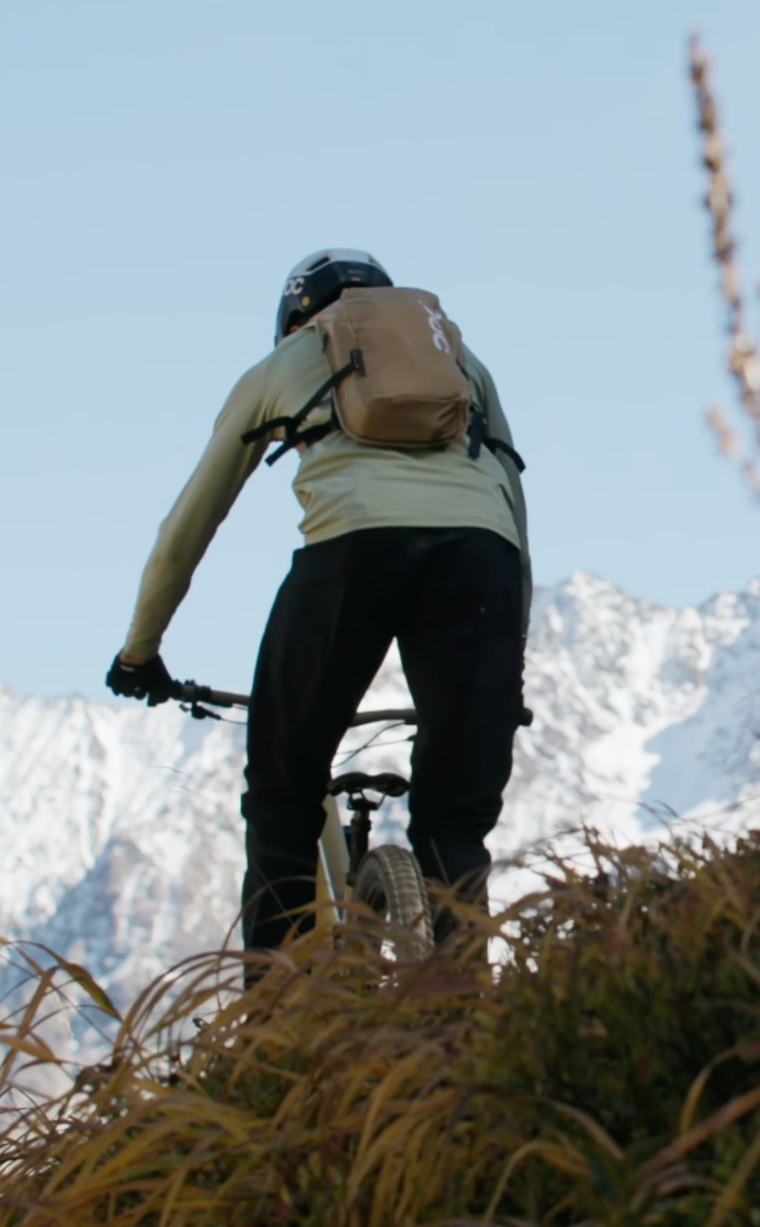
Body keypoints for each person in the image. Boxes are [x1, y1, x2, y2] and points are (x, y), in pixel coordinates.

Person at [105, 248, 530, 962]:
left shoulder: (283, 366)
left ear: (298, 317)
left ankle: (276, 1030)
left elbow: (190, 524)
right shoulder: (459, 359)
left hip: (350, 555)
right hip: (479, 561)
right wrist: (506, 659)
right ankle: (463, 1021)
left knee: (283, 793)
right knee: (455, 819)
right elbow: (512, 503)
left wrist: (139, 650)